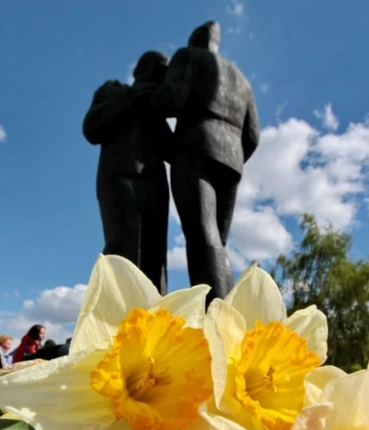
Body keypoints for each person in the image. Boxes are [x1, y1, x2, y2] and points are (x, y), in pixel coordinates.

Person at [153, 21, 260, 301]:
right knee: (218, 241)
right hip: (232, 159)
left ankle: (214, 312)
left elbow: (169, 101)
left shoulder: (187, 57)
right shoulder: (242, 80)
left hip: (196, 147)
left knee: (202, 235)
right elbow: (253, 136)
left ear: (194, 41)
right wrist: (232, 155)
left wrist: (147, 98)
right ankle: (226, 309)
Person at [82, 50, 172, 294]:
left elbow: (172, 150)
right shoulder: (113, 91)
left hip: (154, 184)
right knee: (123, 246)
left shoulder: (153, 107)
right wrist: (132, 99)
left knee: (155, 256)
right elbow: (91, 128)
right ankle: (115, 313)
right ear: (140, 71)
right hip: (119, 176)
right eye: (160, 69)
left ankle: (155, 312)